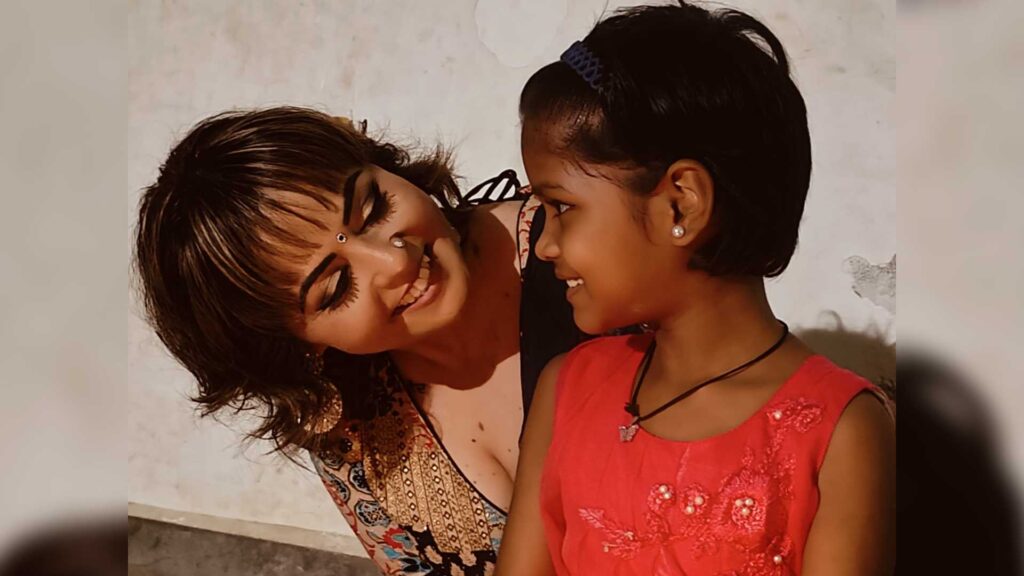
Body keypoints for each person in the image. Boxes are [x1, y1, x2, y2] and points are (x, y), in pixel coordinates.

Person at [498, 3, 896, 575]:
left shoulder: (841, 430)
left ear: (681, 204)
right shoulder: (568, 389)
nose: (545, 246)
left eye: (562, 208)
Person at [133, 107, 584, 575]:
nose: (395, 261)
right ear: (292, 345)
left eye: (374, 209)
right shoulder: (356, 449)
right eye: (336, 287)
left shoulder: (587, 243)